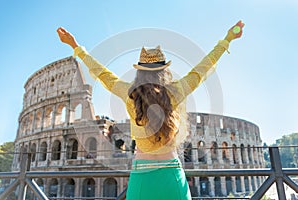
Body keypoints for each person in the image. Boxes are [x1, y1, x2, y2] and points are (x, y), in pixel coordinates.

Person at [57, 20, 244, 200]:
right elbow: (203, 67)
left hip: (142, 178)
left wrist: (76, 47)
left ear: (139, 71)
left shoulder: (129, 92)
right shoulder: (177, 90)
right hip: (172, 177)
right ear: (164, 70)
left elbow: (101, 72)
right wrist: (227, 39)